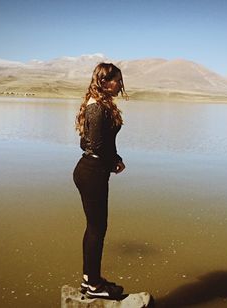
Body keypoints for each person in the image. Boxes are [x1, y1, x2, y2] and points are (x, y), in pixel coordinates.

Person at [73, 63, 128, 300]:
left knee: (95, 228)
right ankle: (93, 285)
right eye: (117, 80)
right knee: (97, 229)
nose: (120, 85)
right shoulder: (97, 107)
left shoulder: (100, 104)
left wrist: (114, 159)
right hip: (92, 172)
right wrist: (114, 161)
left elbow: (96, 143)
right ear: (104, 82)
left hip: (95, 170)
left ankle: (90, 281)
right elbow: (94, 145)